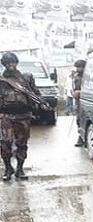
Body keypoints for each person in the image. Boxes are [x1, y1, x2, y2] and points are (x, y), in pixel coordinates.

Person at [0, 52, 45, 181]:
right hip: (6, 115)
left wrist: (41, 103)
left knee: (22, 143)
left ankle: (20, 169)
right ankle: (8, 168)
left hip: (23, 115)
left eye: (13, 62)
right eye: (8, 63)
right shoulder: (1, 80)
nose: (11, 65)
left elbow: (36, 93)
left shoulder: (26, 78)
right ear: (4, 65)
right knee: (5, 143)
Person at [72, 59, 86, 147]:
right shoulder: (76, 77)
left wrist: (80, 92)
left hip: (85, 101)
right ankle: (81, 137)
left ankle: (84, 138)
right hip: (78, 101)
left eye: (79, 67)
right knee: (78, 120)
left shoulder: (87, 77)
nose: (78, 69)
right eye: (77, 67)